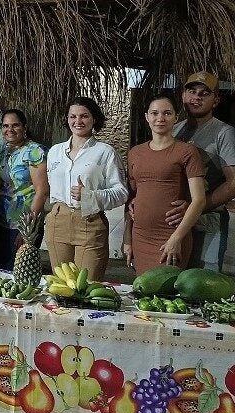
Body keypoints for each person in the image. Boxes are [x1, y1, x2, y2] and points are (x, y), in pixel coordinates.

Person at [44, 96, 127, 281]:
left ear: (94, 119)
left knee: (87, 284)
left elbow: (121, 193)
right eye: (72, 116)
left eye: (84, 116)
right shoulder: (55, 151)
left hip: (90, 221)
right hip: (58, 220)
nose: (78, 121)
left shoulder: (105, 152)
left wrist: (90, 196)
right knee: (62, 284)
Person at [124, 95, 206, 275]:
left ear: (176, 117)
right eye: (154, 113)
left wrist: (176, 238)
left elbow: (199, 200)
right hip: (140, 235)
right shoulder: (135, 153)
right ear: (146, 117)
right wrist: (127, 239)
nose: (160, 118)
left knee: (167, 288)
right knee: (142, 287)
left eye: (167, 113)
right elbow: (131, 199)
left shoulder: (187, 151)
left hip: (171, 234)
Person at [169, 71, 235, 272]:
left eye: (205, 93)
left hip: (207, 222)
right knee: (171, 278)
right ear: (183, 95)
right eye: (192, 91)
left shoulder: (224, 133)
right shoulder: (174, 130)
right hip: (175, 219)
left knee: (201, 282)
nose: (197, 97)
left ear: (216, 100)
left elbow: (233, 183)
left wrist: (195, 207)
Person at [0, 109, 48, 270]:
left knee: (18, 272)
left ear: (24, 127)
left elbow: (41, 191)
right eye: (5, 126)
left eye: (15, 125)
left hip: (22, 224)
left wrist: (27, 228)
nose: (10, 130)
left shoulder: (35, 151)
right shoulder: (4, 151)